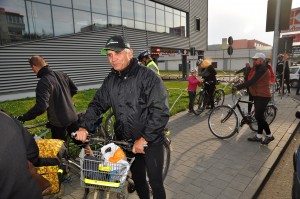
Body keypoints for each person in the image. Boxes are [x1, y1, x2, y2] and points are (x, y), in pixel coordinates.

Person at [74, 35, 169, 199]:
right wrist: (84, 126)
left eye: (117, 53)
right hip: (128, 142)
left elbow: (160, 111)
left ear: (129, 53)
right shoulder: (110, 81)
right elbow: (97, 104)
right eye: (109, 55)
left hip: (150, 142)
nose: (113, 59)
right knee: (139, 180)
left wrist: (145, 138)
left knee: (156, 183)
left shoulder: (148, 77)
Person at [17, 55, 79, 142]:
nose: (33, 72)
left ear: (34, 67)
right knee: (81, 142)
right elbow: (74, 89)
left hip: (58, 122)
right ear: (45, 63)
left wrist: (24, 117)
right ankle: (91, 154)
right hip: (72, 116)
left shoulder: (43, 82)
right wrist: (65, 100)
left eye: (32, 69)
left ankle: (64, 155)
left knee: (58, 149)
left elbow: (41, 107)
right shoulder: (61, 74)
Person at [232, 52, 274, 145]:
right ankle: (259, 136)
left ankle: (270, 135)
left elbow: (252, 81)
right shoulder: (258, 69)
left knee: (259, 116)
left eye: (256, 59)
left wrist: (238, 87)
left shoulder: (262, 69)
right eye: (253, 59)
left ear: (261, 60)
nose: (254, 61)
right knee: (259, 117)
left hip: (263, 96)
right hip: (258, 95)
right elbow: (250, 80)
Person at [0, 110, 42, 199]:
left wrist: (24, 116)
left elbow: (41, 106)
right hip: (30, 192)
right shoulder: (5, 117)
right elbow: (33, 153)